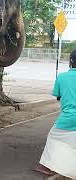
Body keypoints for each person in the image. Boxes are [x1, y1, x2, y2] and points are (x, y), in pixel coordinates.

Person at [34, 50, 76, 179]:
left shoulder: (62, 77)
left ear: (71, 61)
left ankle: (45, 167)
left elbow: (58, 95)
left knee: (54, 137)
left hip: (69, 116)